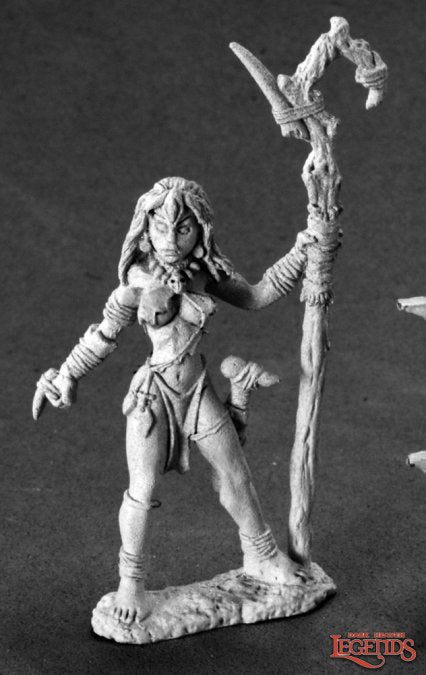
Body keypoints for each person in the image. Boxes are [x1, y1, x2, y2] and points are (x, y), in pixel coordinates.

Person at [34, 176, 315, 624]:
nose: (170, 239)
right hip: (154, 396)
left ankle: (261, 556)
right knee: (143, 489)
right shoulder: (135, 285)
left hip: (198, 388)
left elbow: (257, 295)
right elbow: (102, 338)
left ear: (199, 229)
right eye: (160, 227)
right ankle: (131, 583)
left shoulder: (204, 273)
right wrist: (66, 374)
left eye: (182, 228)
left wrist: (303, 251)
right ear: (145, 228)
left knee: (235, 473)